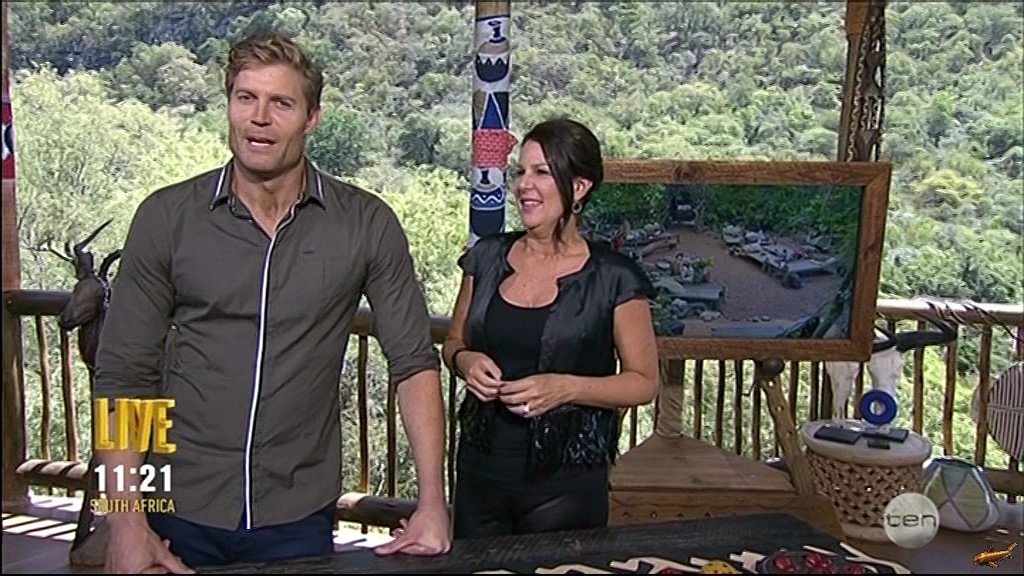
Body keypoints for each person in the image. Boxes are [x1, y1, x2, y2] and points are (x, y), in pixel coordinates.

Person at [93, 31, 450, 573]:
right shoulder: (166, 218)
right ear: (229, 105)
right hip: (177, 506)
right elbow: (125, 376)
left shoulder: (365, 224)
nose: (259, 118)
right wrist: (125, 521)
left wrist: (432, 503)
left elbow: (413, 362)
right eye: (246, 98)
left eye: (281, 103)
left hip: (298, 512)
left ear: (311, 118)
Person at [441, 118, 660, 539]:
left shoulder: (614, 277)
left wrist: (565, 388)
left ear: (579, 188)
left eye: (541, 172)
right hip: (480, 472)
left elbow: (644, 382)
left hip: (567, 483)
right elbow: (453, 342)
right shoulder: (485, 258)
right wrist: (465, 361)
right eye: (521, 171)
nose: (524, 184)